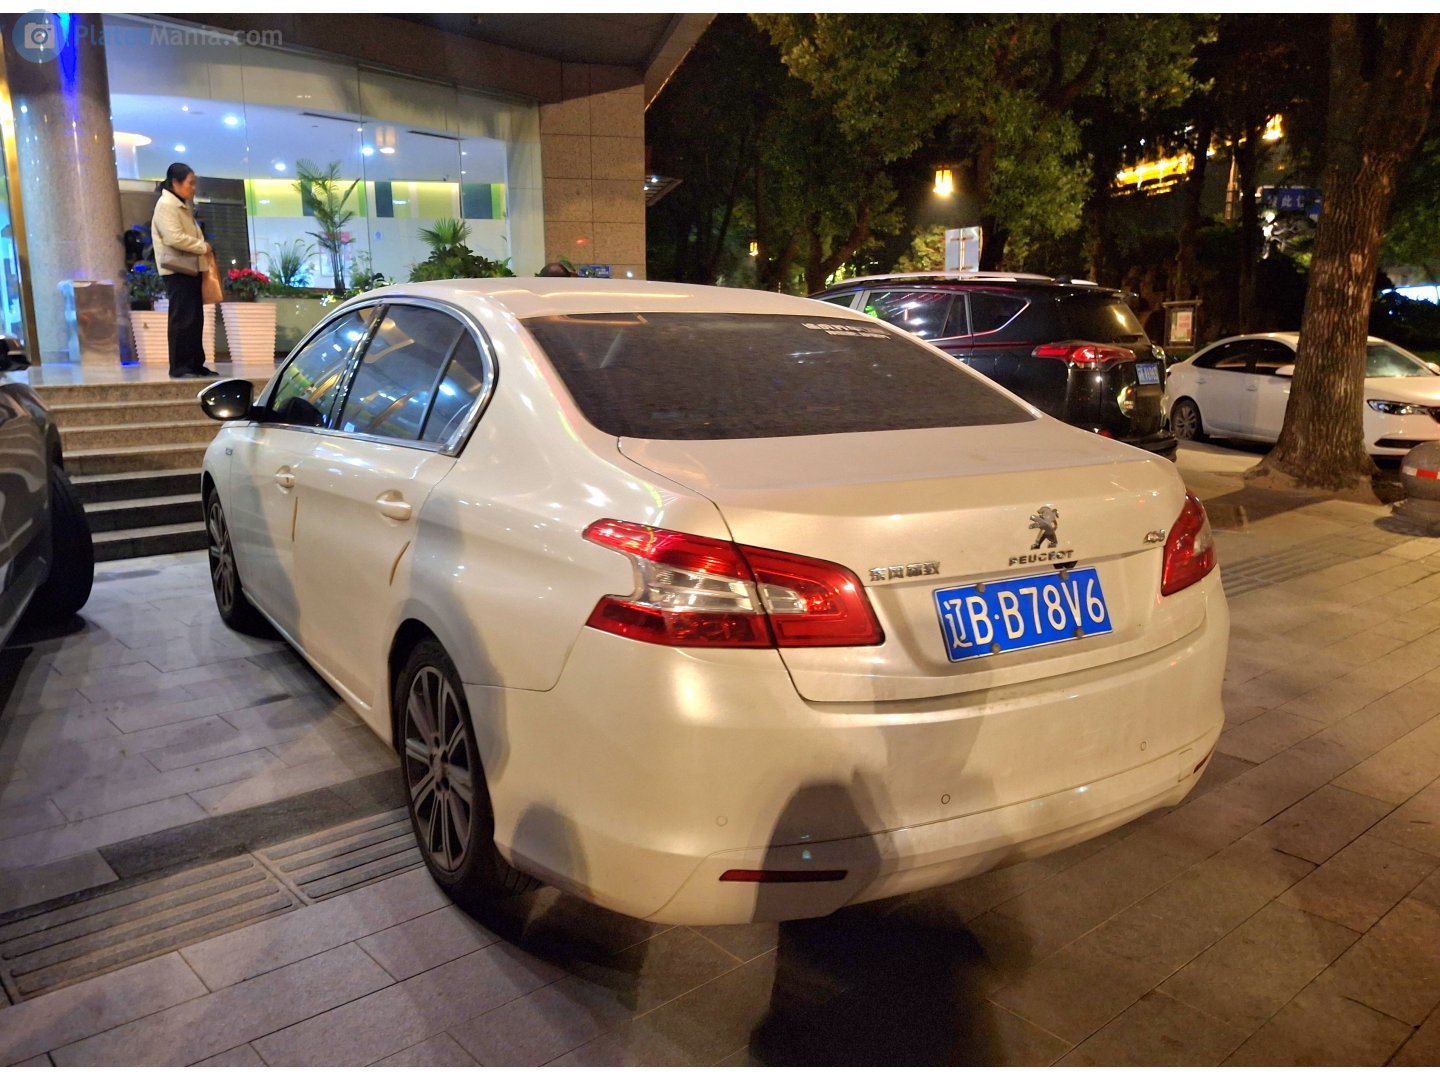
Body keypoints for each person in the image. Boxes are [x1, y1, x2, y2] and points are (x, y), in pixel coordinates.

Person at [151, 163, 216, 379]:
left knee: (195, 318)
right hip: (177, 270)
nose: (193, 188)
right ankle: (180, 366)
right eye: (190, 183)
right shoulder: (166, 205)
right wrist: (203, 247)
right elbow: (173, 237)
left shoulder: (181, 204)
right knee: (183, 319)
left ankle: (195, 364)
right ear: (175, 182)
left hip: (190, 268)